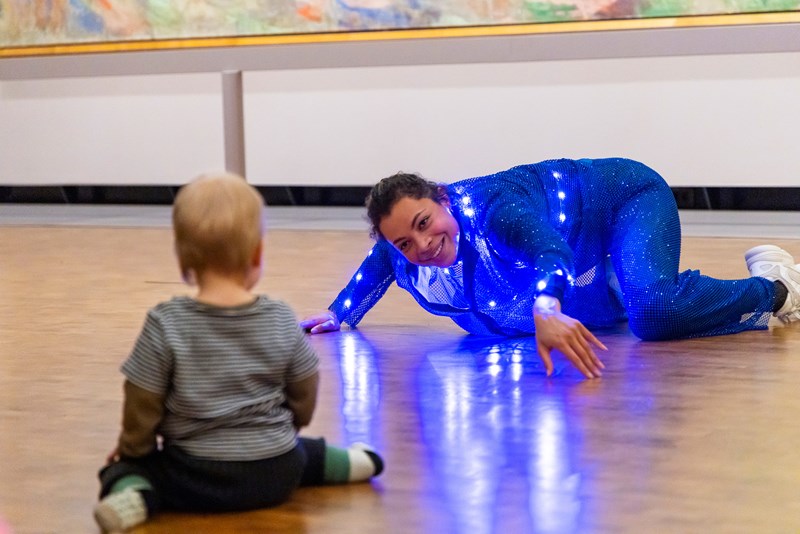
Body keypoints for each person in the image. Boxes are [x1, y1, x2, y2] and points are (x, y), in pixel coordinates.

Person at [300, 157, 800, 379]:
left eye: (426, 223)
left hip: (625, 199)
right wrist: (341, 312)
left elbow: (549, 252)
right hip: (586, 253)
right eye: (405, 242)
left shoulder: (492, 209)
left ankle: (777, 288)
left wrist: (545, 304)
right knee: (596, 315)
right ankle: (631, 283)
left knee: (652, 313)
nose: (424, 244)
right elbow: (378, 263)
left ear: (444, 200)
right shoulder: (400, 251)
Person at [94, 173, 384, 533]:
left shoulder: (165, 323)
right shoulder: (280, 318)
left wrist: (133, 452)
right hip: (277, 471)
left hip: (194, 477)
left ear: (182, 257)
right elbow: (305, 387)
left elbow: (142, 399)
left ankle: (137, 495)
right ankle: (357, 463)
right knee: (305, 452)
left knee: (123, 468)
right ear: (258, 253)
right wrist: (287, 427)